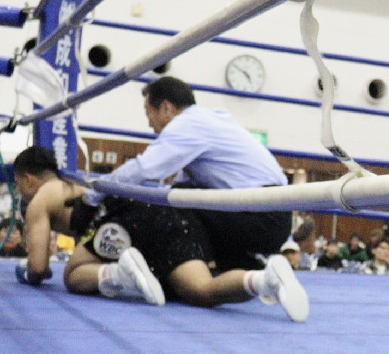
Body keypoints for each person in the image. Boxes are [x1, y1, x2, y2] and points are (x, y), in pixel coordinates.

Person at [12, 146, 308, 320]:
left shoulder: (40, 200)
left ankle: (120, 273)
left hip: (129, 222)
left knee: (73, 275)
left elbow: (38, 268)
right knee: (199, 290)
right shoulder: (74, 181)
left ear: (28, 180)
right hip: (167, 211)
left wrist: (26, 272)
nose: (19, 191)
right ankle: (264, 280)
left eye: (17, 184)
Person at [89, 77, 296, 276]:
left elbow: (143, 169)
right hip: (268, 213)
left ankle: (205, 270)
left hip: (264, 216)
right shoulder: (205, 122)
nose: (149, 123)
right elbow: (175, 184)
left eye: (148, 112)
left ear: (166, 108)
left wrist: (92, 196)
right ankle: (251, 270)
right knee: (177, 198)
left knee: (179, 201)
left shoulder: (188, 125)